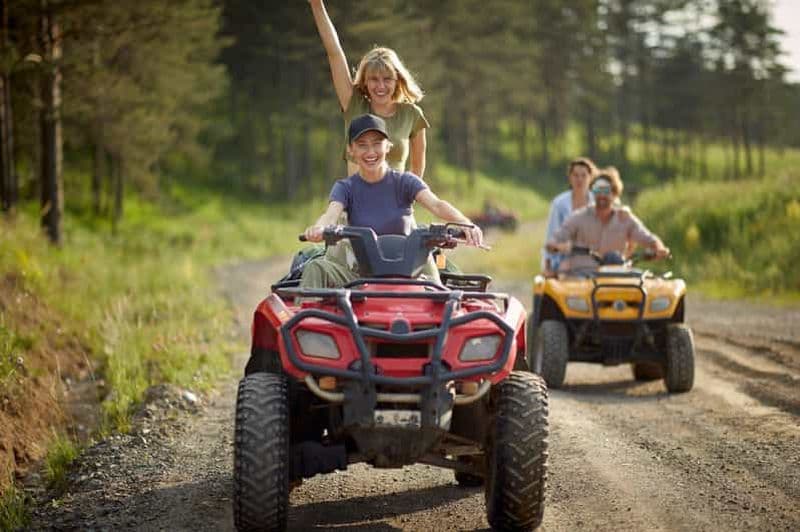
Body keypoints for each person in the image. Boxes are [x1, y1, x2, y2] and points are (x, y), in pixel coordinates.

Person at [300, 114, 483, 289]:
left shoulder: (405, 182)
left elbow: (436, 204)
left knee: (440, 297)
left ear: (388, 146)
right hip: (362, 276)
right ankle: (309, 319)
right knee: (316, 268)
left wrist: (465, 223)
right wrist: (319, 229)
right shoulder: (345, 188)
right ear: (350, 149)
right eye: (362, 145)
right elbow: (330, 215)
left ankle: (439, 314)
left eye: (377, 143)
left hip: (413, 272)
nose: (370, 152)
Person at [308, 0, 429, 178]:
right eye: (374, 79)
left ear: (397, 80)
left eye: (387, 79)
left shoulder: (412, 114)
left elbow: (417, 170)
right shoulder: (354, 103)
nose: (380, 86)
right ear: (365, 81)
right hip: (358, 203)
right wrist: (317, 5)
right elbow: (334, 52)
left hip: (394, 203)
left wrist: (406, 200)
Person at [546, 167, 669, 273]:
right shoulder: (578, 217)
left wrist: (659, 248)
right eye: (597, 190)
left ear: (615, 193)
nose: (601, 195)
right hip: (582, 278)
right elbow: (555, 240)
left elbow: (648, 238)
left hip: (618, 276)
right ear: (592, 192)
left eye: (606, 191)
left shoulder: (625, 218)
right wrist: (557, 246)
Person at [541, 157, 596, 276]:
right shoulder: (559, 203)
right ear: (570, 177)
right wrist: (547, 266)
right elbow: (551, 237)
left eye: (583, 175)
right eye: (576, 175)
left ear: (590, 178)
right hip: (563, 258)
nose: (579, 179)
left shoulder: (597, 202)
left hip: (593, 258)